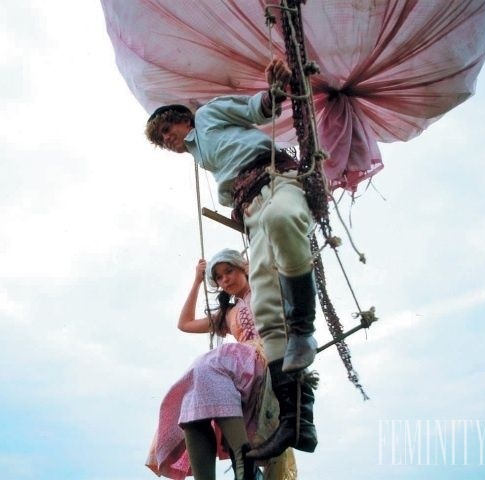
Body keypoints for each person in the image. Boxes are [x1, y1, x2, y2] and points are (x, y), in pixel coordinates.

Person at [144, 58, 317, 460]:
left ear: (182, 120)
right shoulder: (199, 156)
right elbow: (186, 323)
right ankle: (296, 423)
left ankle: (304, 329)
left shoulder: (208, 115)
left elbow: (259, 109)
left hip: (274, 179)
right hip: (247, 208)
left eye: (168, 129)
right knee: (270, 311)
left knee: (284, 218)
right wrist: (198, 277)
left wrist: (275, 90)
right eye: (162, 138)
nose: (168, 139)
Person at [145, 249, 300, 480]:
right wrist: (197, 281)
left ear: (244, 269)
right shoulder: (228, 313)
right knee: (191, 398)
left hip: (266, 359)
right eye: (218, 277)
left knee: (207, 365)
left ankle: (244, 465)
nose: (225, 279)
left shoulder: (265, 289)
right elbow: (185, 323)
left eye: (229, 271)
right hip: (239, 369)